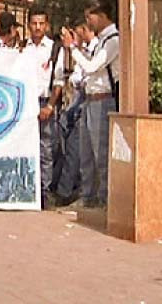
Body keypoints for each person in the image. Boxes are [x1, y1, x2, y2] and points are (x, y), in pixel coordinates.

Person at [61, 0, 119, 208]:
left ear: (102, 15)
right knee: (86, 153)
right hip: (90, 100)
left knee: (101, 152)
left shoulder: (113, 40)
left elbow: (93, 66)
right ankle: (88, 197)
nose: (88, 21)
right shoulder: (102, 40)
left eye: (90, 16)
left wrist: (73, 50)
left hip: (104, 101)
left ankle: (104, 200)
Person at [23, 6, 64, 209]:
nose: (38, 27)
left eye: (41, 23)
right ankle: (27, 191)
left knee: (46, 150)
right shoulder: (22, 48)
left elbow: (58, 81)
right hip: (26, 105)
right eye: (34, 23)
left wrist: (50, 105)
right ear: (28, 25)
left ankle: (44, 193)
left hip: (44, 102)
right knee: (25, 147)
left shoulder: (55, 49)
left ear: (46, 25)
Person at [54, 19, 97, 206]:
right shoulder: (80, 51)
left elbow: (86, 73)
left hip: (85, 100)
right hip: (75, 102)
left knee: (76, 149)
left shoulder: (92, 50)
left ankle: (67, 191)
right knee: (65, 146)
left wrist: (72, 49)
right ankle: (64, 188)